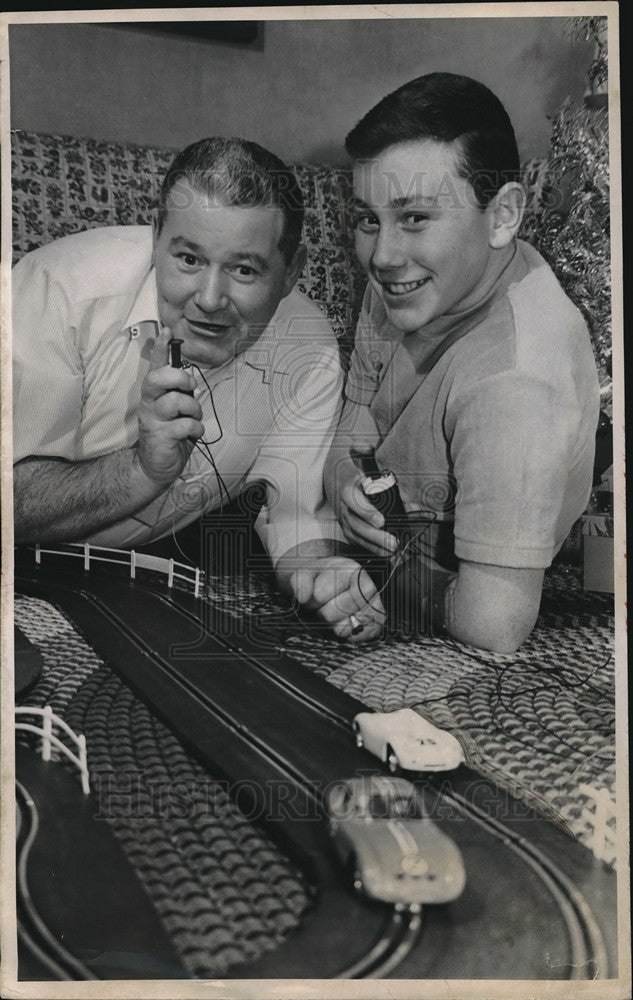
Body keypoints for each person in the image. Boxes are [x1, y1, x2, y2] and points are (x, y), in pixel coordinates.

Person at [13, 136, 384, 641]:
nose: (209, 300)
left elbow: (291, 510)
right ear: (157, 235)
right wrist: (141, 470)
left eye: (244, 269)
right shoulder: (57, 288)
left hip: (140, 585)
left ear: (292, 273)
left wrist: (319, 572)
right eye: (188, 259)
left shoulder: (309, 348)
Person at [325, 73, 600, 653]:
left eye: (416, 217)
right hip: (399, 529)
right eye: (369, 218)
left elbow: (492, 626)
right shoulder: (414, 277)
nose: (382, 255)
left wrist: (392, 580)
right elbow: (352, 432)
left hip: (464, 570)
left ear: (502, 216)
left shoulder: (517, 381)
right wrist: (347, 483)